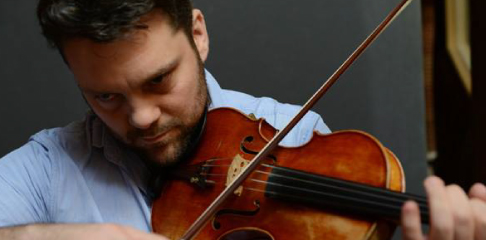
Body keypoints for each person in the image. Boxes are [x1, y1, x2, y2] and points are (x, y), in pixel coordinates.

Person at [0, 0, 485, 239]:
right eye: (105, 96)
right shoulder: (44, 168)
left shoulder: (292, 134)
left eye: (159, 80)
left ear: (197, 34)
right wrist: (46, 235)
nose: (142, 117)